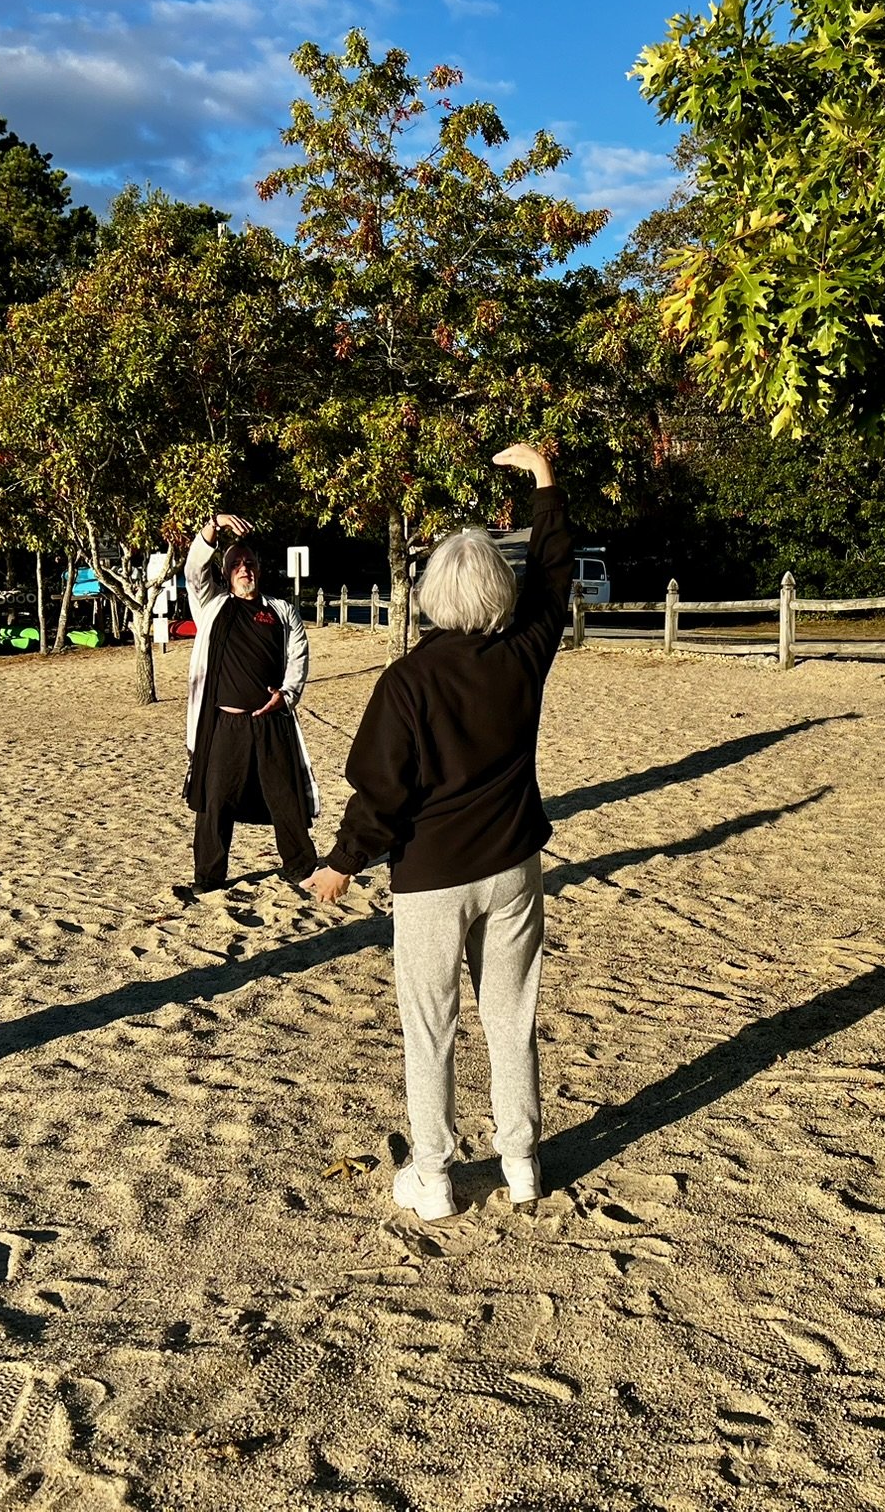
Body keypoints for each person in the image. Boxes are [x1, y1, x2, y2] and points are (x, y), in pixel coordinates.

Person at [302, 443, 572, 1220]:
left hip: (433, 876)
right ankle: (521, 1163)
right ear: (498, 590)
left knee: (431, 1028)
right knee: (510, 1017)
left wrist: (342, 863)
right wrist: (545, 485)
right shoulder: (523, 654)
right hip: (515, 863)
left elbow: (382, 791)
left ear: (431, 594)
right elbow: (554, 578)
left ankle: (435, 1177)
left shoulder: (409, 680)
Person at [178, 513, 318, 898]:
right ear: (225, 574)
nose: (245, 569)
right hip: (225, 724)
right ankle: (208, 879)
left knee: (284, 797)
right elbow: (193, 569)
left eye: (250, 563)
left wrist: (286, 695)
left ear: (259, 569)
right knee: (214, 802)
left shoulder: (281, 611)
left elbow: (298, 658)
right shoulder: (212, 606)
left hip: (271, 721)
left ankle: (301, 868)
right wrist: (212, 525)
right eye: (236, 564)